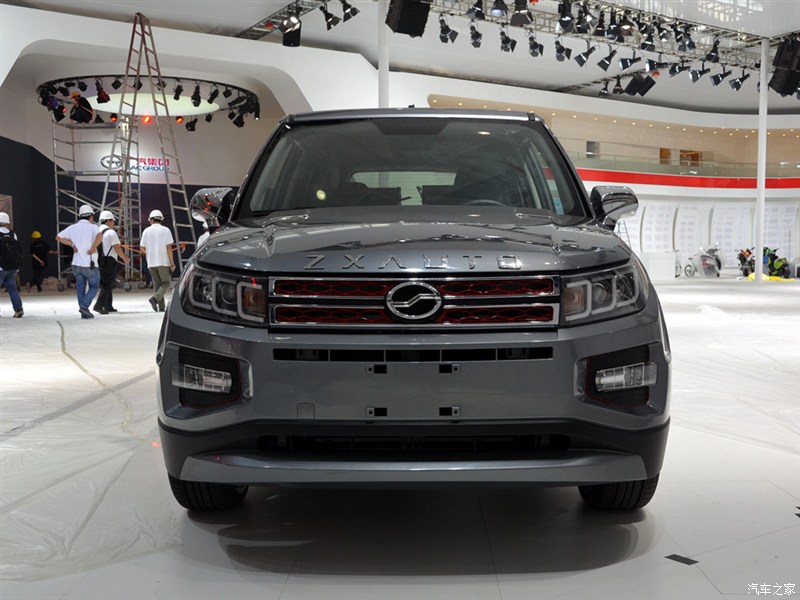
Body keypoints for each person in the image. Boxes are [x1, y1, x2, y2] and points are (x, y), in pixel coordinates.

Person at [56, 204, 102, 319]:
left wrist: (72, 245)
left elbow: (58, 237)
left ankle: (83, 311)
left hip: (76, 263)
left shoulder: (73, 227)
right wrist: (93, 247)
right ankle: (84, 306)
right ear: (91, 216)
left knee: (80, 287)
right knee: (94, 286)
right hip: (90, 263)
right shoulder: (93, 227)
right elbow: (100, 236)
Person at [93, 210, 130, 314]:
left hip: (99, 260)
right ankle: (98, 305)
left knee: (106, 283)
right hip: (109, 260)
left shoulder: (96, 231)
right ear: (108, 220)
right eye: (113, 221)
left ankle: (108, 305)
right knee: (108, 284)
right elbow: (116, 247)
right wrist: (124, 257)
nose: (114, 223)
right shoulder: (111, 232)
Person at [139, 209, 174, 312]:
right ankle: (154, 299)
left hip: (151, 262)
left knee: (157, 284)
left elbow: (142, 248)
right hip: (163, 262)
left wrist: (150, 253)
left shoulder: (146, 231)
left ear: (151, 219)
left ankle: (161, 307)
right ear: (161, 219)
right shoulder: (166, 230)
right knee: (166, 283)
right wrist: (172, 262)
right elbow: (169, 247)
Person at [0, 212, 24, 318]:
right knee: (12, 289)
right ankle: (18, 309)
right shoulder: (13, 234)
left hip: (1, 267)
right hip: (12, 267)